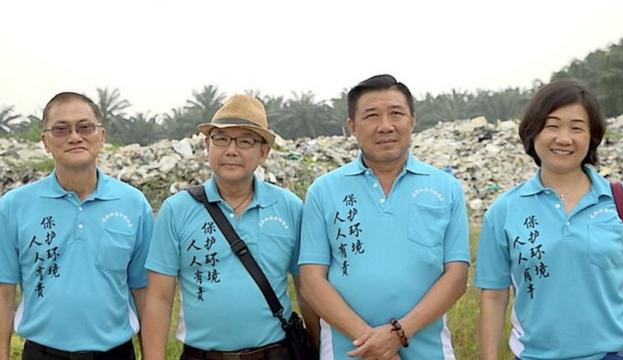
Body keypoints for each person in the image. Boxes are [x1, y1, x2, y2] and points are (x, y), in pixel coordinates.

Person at [298, 74, 470, 359]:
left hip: (428, 350)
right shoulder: (324, 190)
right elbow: (312, 281)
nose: (386, 126)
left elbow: (456, 276)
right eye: (372, 116)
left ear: (412, 120)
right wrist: (370, 341)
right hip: (347, 351)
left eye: (396, 113)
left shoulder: (446, 188)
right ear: (352, 126)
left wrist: (398, 334)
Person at [142, 94, 318, 360]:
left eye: (245, 141)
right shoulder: (177, 210)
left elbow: (307, 290)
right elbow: (159, 297)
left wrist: (317, 350)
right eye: (221, 139)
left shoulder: (289, 207)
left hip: (274, 354)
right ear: (207, 145)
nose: (231, 150)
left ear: (263, 152)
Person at [475, 79, 623, 360]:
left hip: (621, 353)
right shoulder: (503, 210)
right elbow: (493, 296)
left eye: (577, 128)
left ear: (592, 137)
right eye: (552, 125)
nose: (564, 138)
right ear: (533, 131)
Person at [0, 92, 154, 360]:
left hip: (115, 354)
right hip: (42, 353)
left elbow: (144, 291)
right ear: (45, 141)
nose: (74, 137)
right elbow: (3, 293)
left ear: (102, 136)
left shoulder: (134, 204)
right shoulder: (14, 206)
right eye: (61, 129)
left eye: (85, 127)